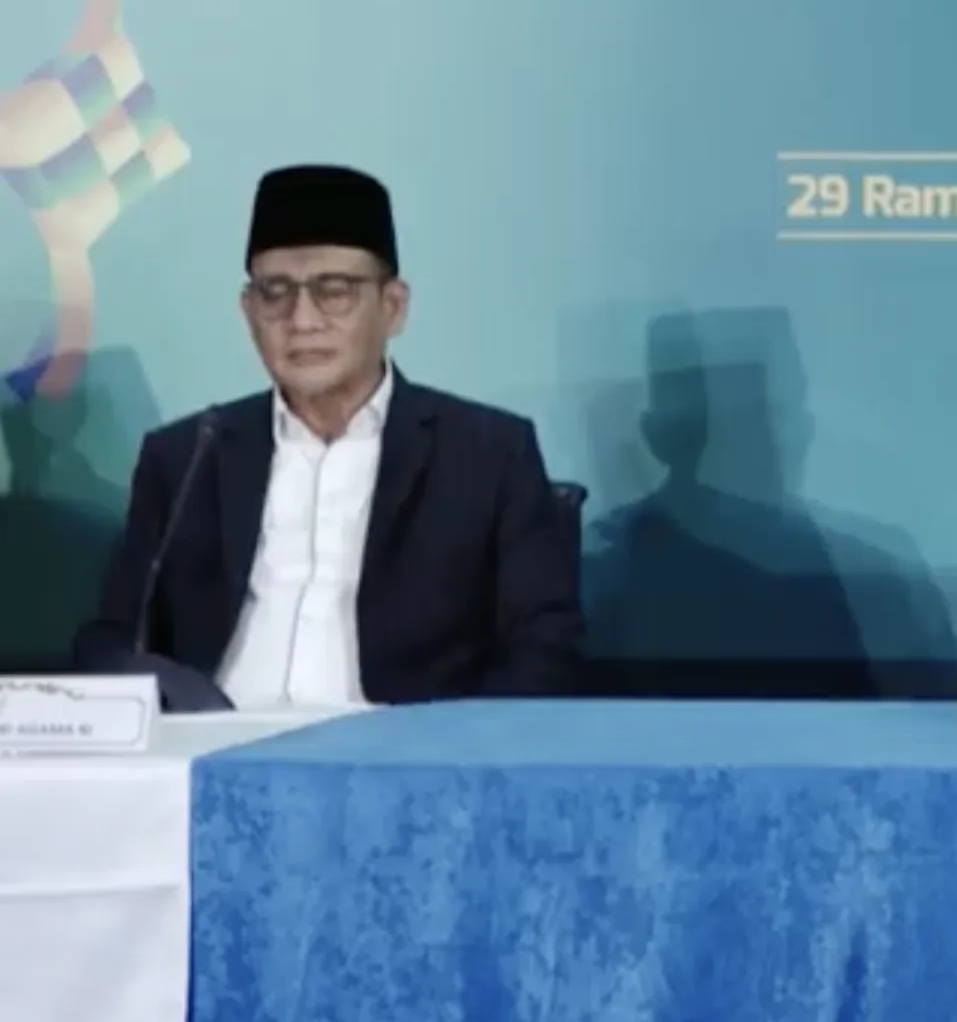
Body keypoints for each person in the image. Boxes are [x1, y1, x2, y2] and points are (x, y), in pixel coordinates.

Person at [75, 165, 584, 707]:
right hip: (211, 743)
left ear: (393, 308)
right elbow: (111, 641)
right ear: (249, 311)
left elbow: (545, 650)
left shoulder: (488, 454)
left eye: (334, 292)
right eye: (275, 293)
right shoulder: (189, 456)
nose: (301, 320)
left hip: (404, 748)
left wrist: (445, 746)